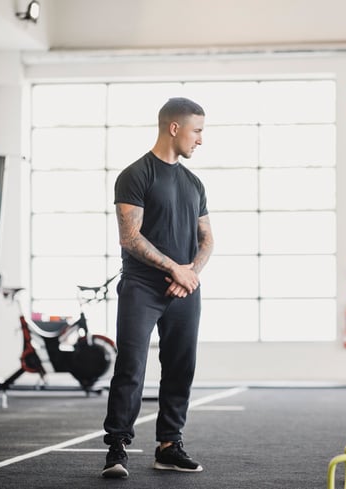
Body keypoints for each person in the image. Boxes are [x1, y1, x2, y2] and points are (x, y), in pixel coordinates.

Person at [101, 97, 214, 478]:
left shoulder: (194, 183)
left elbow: (207, 239)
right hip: (141, 287)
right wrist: (174, 269)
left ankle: (169, 445)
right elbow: (129, 238)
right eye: (197, 131)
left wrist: (190, 273)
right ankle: (117, 447)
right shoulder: (135, 174)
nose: (201, 139)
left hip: (184, 289)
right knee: (131, 366)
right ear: (174, 128)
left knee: (181, 367)